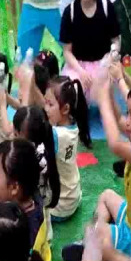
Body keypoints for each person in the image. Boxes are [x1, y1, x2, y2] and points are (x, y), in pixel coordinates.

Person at [62, 81, 131, 261]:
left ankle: (93, 243)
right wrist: (109, 91)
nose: (127, 121)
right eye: (128, 114)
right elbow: (120, 120)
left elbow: (115, 144)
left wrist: (103, 101)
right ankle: (99, 235)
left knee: (98, 232)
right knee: (107, 195)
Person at [59, 0, 122, 100]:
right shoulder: (70, 12)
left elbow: (116, 40)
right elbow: (67, 51)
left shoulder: (106, 7)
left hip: (104, 65)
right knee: (73, 91)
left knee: (105, 94)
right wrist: (81, 72)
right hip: (77, 68)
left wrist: (111, 56)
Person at [43, 76, 92, 221]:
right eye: (45, 102)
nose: (45, 108)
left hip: (60, 208)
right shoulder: (73, 124)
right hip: (74, 197)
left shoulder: (55, 134)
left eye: (50, 104)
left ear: (65, 108)